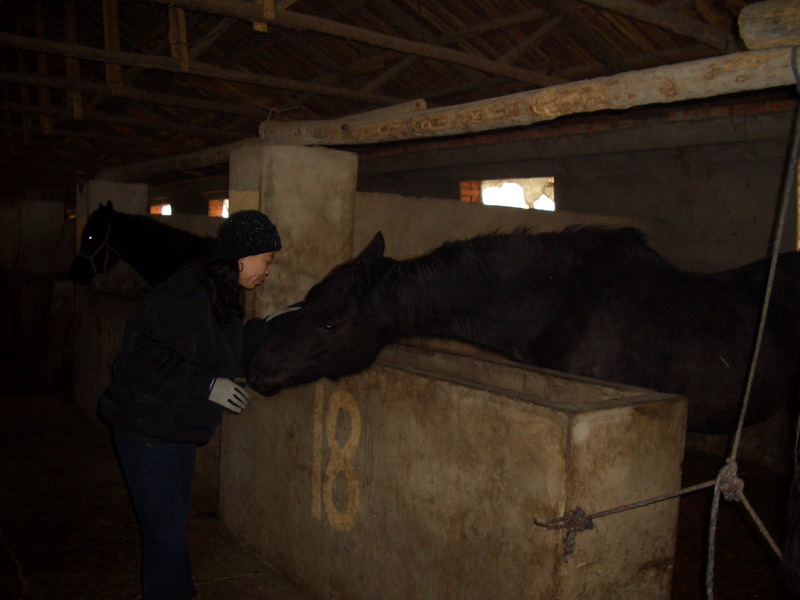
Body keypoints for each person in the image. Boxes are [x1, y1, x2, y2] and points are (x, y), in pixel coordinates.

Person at [98, 210, 282, 600]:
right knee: (165, 539)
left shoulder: (220, 293)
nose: (268, 269)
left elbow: (222, 352)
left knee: (170, 530)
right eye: (267, 258)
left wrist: (273, 327)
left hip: (173, 429)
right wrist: (206, 385)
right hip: (146, 432)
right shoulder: (183, 295)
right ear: (242, 257)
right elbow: (134, 366)